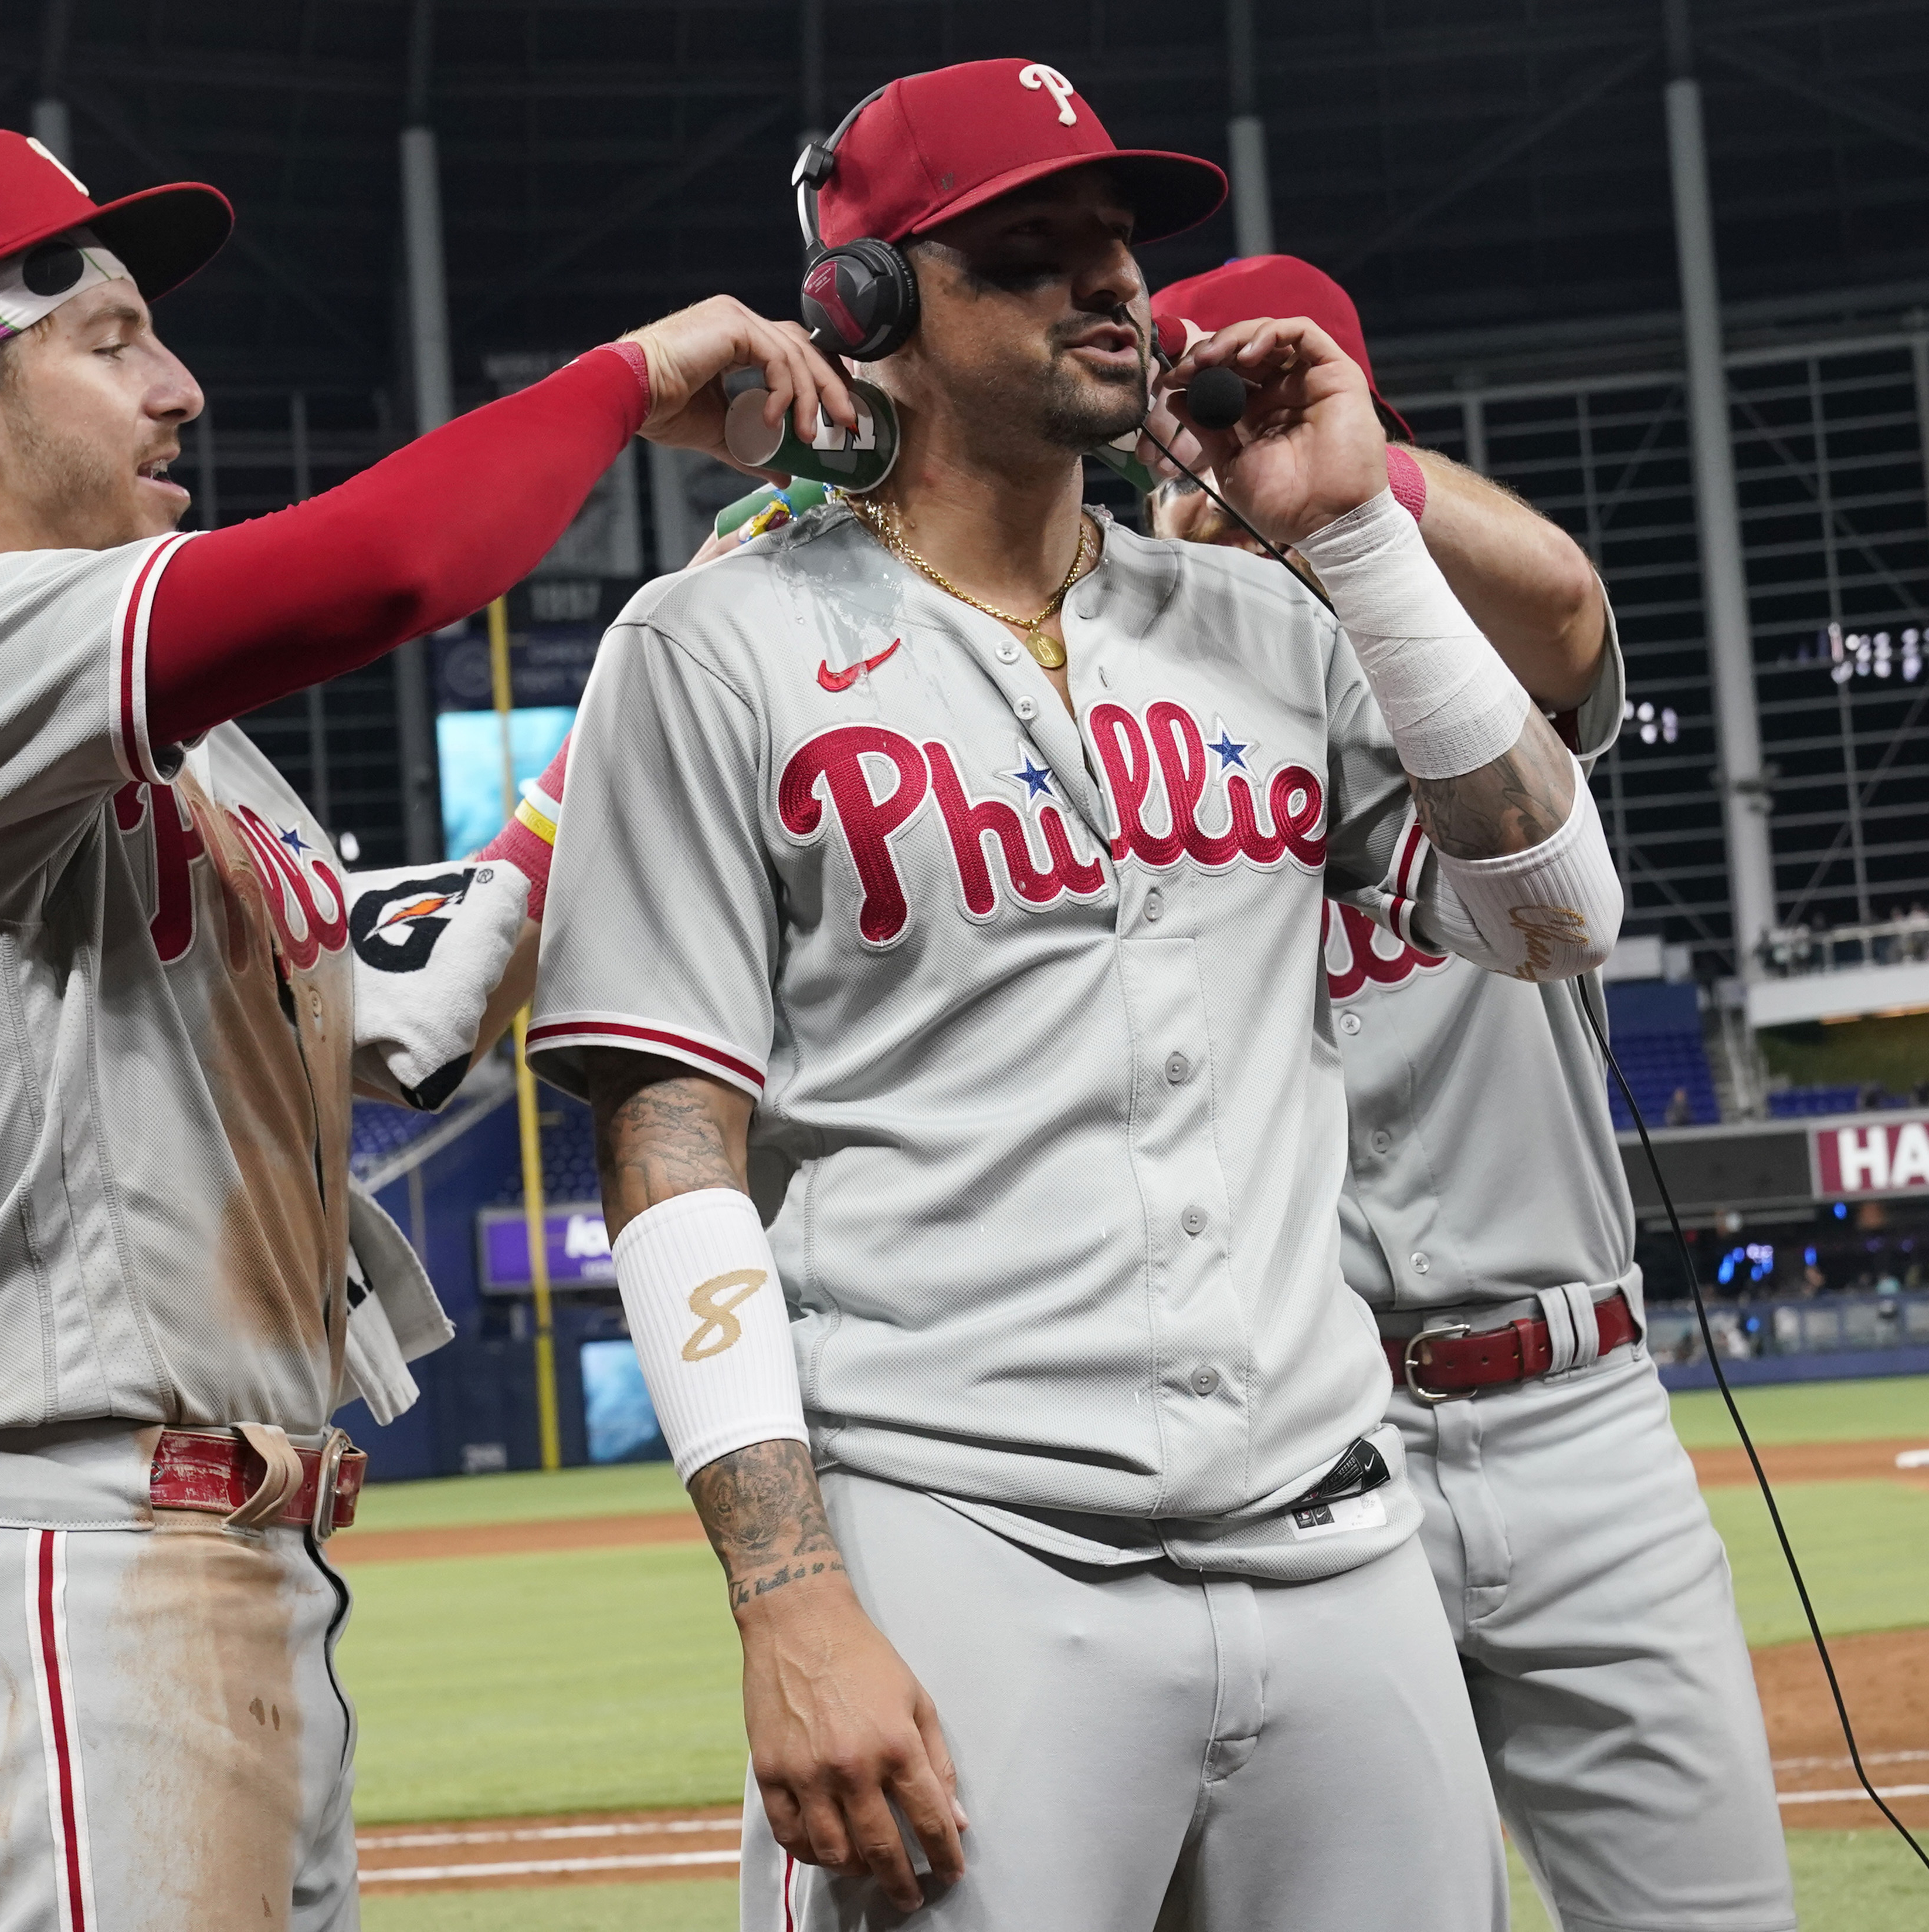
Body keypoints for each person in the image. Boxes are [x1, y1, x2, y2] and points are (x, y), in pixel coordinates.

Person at [535, 60, 1618, 1930]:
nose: (1107, 287)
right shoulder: (710, 648)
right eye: (1031, 253)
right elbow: (670, 1142)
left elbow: (1547, 913)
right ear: (862, 308)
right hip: (960, 1542)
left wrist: (1351, 532)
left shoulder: (1269, 620)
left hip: (1333, 1533)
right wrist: (786, 1597)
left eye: (1116, 243)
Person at [0, 125, 849, 1930]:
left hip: (225, 1565)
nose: (176, 385)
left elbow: (415, 1013)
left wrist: (632, 694)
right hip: (76, 1557)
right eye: (106, 338)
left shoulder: (187, 754)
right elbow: (382, 574)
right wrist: (620, 378)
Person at [1150, 254, 1797, 1932]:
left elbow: (1570, 608)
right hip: (1296, 1447)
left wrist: (1349, 490)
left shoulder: (1464, 682)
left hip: (1575, 1412)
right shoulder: (1117, 735)